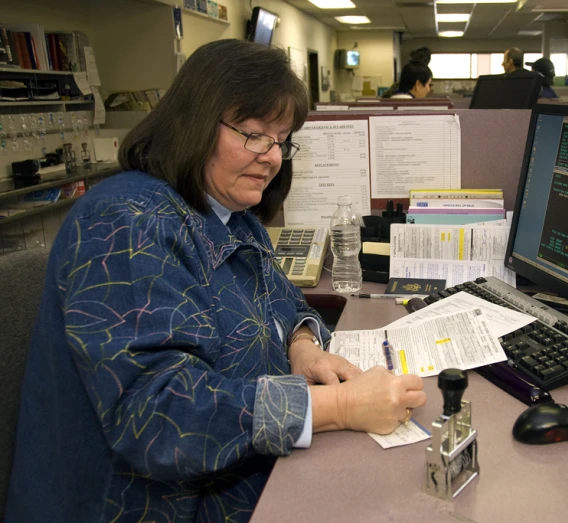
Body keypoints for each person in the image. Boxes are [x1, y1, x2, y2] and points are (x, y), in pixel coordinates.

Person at [5, 40, 426, 523]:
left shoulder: (229, 215)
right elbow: (159, 419)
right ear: (194, 122)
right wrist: (341, 405)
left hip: (234, 480)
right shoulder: (126, 224)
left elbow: (286, 302)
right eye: (252, 134)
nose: (271, 157)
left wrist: (303, 344)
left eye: (280, 140)